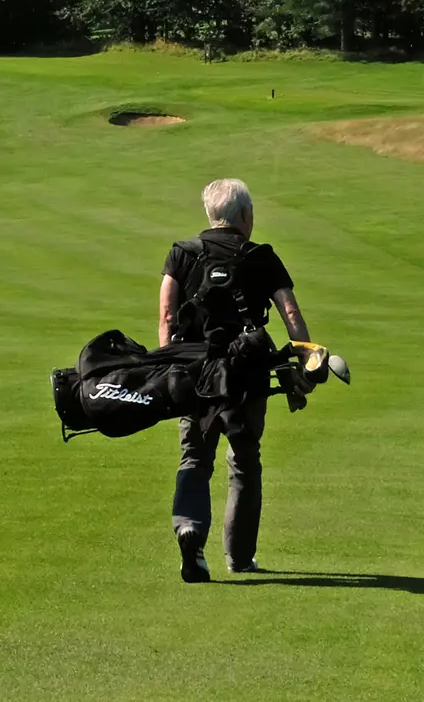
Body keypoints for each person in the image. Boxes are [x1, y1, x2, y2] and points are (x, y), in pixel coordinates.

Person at [159, 177, 310, 583]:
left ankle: (189, 526)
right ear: (244, 215)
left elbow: (168, 317)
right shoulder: (261, 256)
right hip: (246, 377)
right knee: (244, 462)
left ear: (211, 214)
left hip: (194, 376)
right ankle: (239, 557)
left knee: (194, 457)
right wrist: (306, 359)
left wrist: (170, 366)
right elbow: (290, 314)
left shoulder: (181, 254)